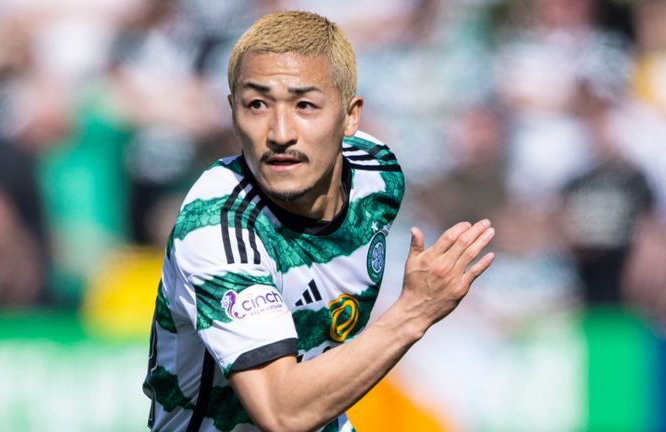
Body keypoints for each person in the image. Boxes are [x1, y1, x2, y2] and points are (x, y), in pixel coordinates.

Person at [143, 10, 495, 432]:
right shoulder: (215, 230)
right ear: (233, 112)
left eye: (305, 105)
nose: (280, 132)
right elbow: (282, 412)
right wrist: (414, 312)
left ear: (350, 116)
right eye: (257, 104)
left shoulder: (377, 177)